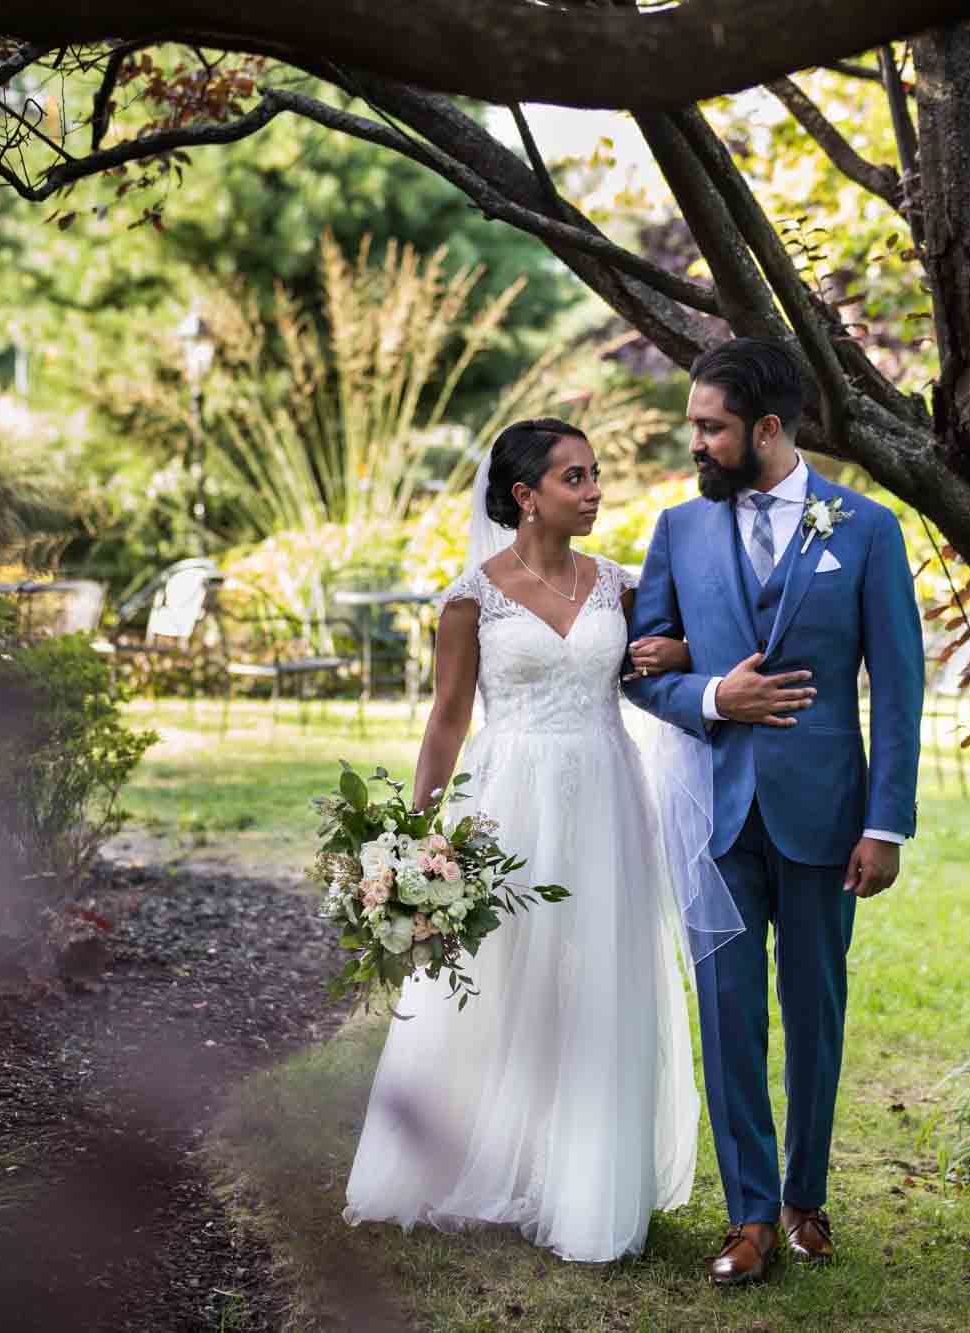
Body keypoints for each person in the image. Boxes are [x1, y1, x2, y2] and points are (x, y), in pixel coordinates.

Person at [342, 418, 700, 1264]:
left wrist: (676, 648)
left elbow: (666, 659)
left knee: (602, 978)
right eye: (575, 478)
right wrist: (415, 842)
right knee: (503, 977)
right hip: (508, 801)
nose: (595, 490)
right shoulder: (473, 597)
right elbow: (447, 722)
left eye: (596, 473)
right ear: (524, 496)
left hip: (608, 791)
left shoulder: (619, 586)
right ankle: (465, 1156)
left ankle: (588, 1184)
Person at [624, 337, 926, 1286]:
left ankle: (806, 1198)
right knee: (729, 1016)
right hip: (712, 813)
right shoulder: (677, 528)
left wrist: (887, 823)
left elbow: (901, 686)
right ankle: (749, 1214)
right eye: (694, 428)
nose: (697, 444)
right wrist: (716, 696)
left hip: (826, 814)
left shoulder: (867, 530)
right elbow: (641, 670)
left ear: (766, 428)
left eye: (711, 428)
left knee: (816, 1009)